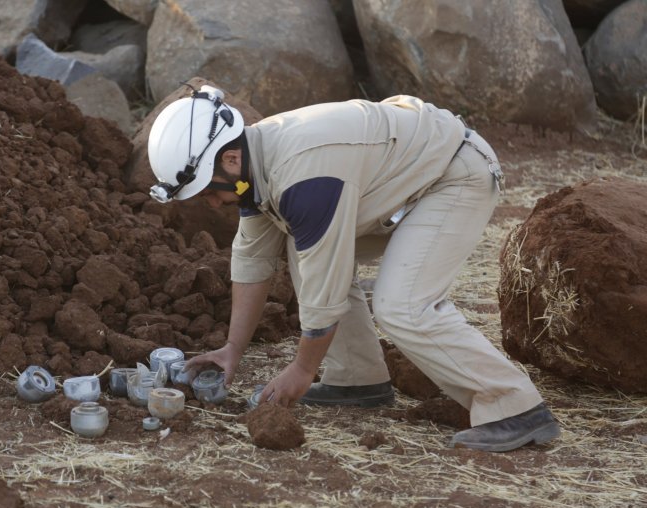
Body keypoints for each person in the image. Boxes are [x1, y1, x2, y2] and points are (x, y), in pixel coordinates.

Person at [146, 84, 561, 452]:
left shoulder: (303, 179)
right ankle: (358, 379)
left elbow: (323, 287)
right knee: (298, 243)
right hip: (403, 182)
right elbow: (252, 259)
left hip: (452, 176)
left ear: (231, 159)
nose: (212, 204)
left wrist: (303, 370)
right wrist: (232, 350)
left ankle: (514, 406)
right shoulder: (256, 165)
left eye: (207, 192)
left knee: (402, 306)